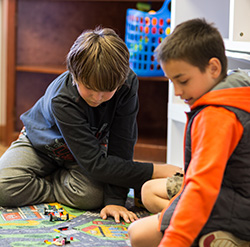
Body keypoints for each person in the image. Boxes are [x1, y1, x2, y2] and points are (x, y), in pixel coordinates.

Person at [0, 27, 182, 223]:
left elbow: (122, 143)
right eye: (90, 89)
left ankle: (55, 179)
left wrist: (114, 200)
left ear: (120, 83)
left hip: (87, 153)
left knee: (92, 197)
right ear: (74, 75)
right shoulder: (62, 99)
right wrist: (156, 170)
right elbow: (96, 165)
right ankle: (54, 180)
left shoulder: (127, 83)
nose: (97, 98)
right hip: (41, 146)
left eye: (107, 91)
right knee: (3, 186)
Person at [128, 18, 250, 247]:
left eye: (182, 80)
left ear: (213, 68)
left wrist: (174, 241)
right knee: (151, 193)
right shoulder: (237, 89)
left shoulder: (216, 115)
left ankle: (229, 238)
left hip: (231, 205)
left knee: (137, 234)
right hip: (234, 196)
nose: (177, 91)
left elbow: (201, 188)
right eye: (172, 81)